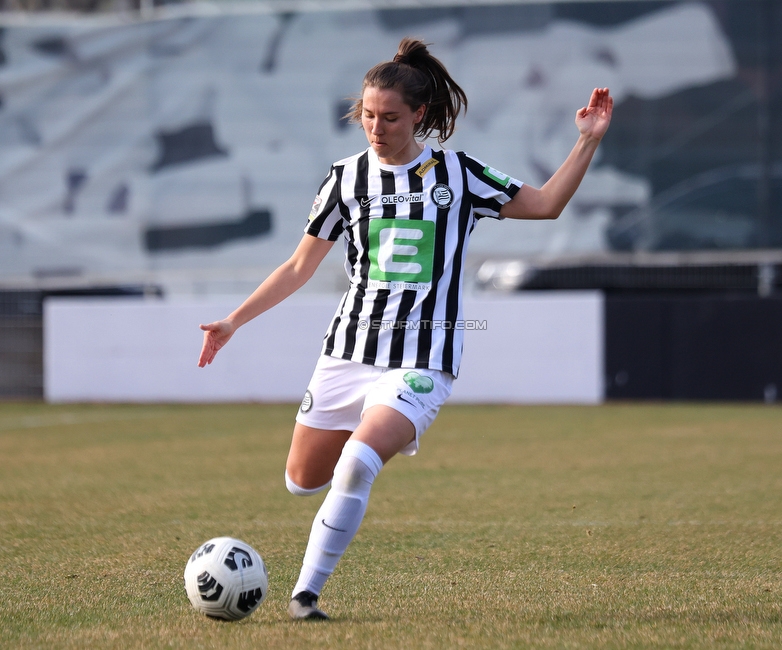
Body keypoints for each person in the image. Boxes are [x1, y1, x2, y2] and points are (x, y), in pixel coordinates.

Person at [197, 37, 613, 620]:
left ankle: (305, 596)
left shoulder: (459, 174)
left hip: (423, 357)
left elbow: (544, 205)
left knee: (357, 464)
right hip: (347, 352)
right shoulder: (344, 179)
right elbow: (298, 266)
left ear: (419, 115)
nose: (376, 126)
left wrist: (587, 140)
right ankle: (351, 451)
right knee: (301, 480)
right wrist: (233, 321)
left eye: (390, 117)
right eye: (367, 115)